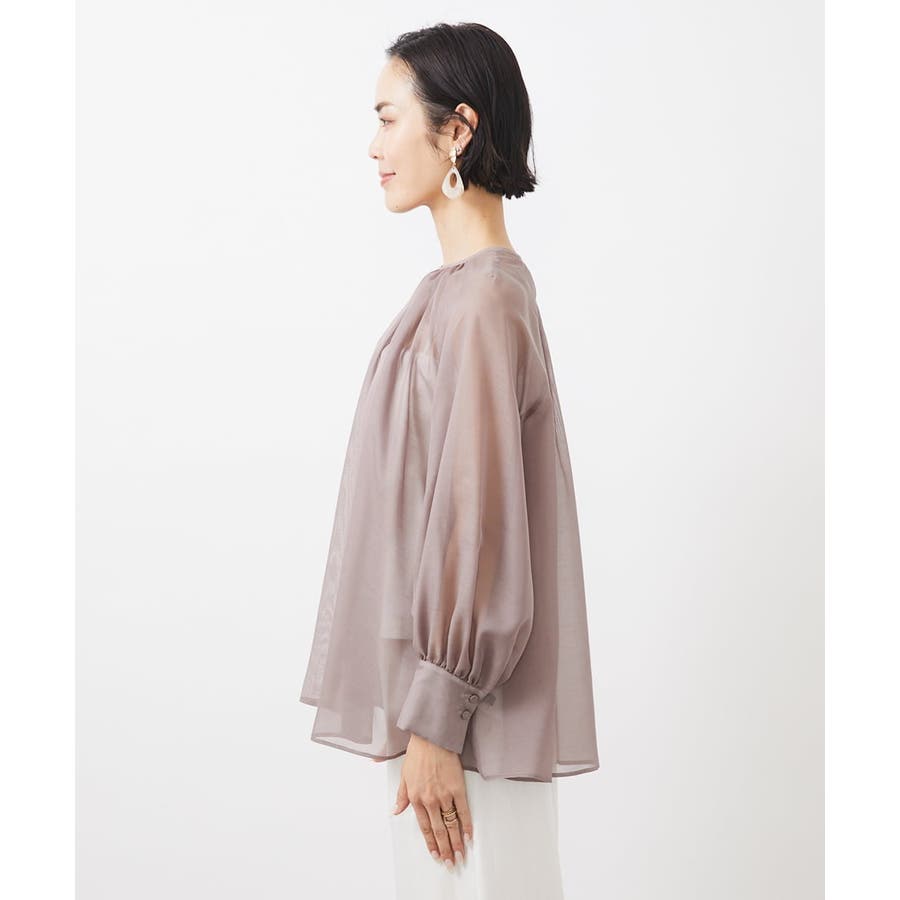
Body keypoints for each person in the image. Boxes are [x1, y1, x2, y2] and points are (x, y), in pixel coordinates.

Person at [300, 22, 600, 898]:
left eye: (389, 118)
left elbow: (481, 524)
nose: (374, 146)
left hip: (465, 731)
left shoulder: (483, 304)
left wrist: (438, 716)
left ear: (458, 129)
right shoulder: (457, 295)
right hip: (449, 722)